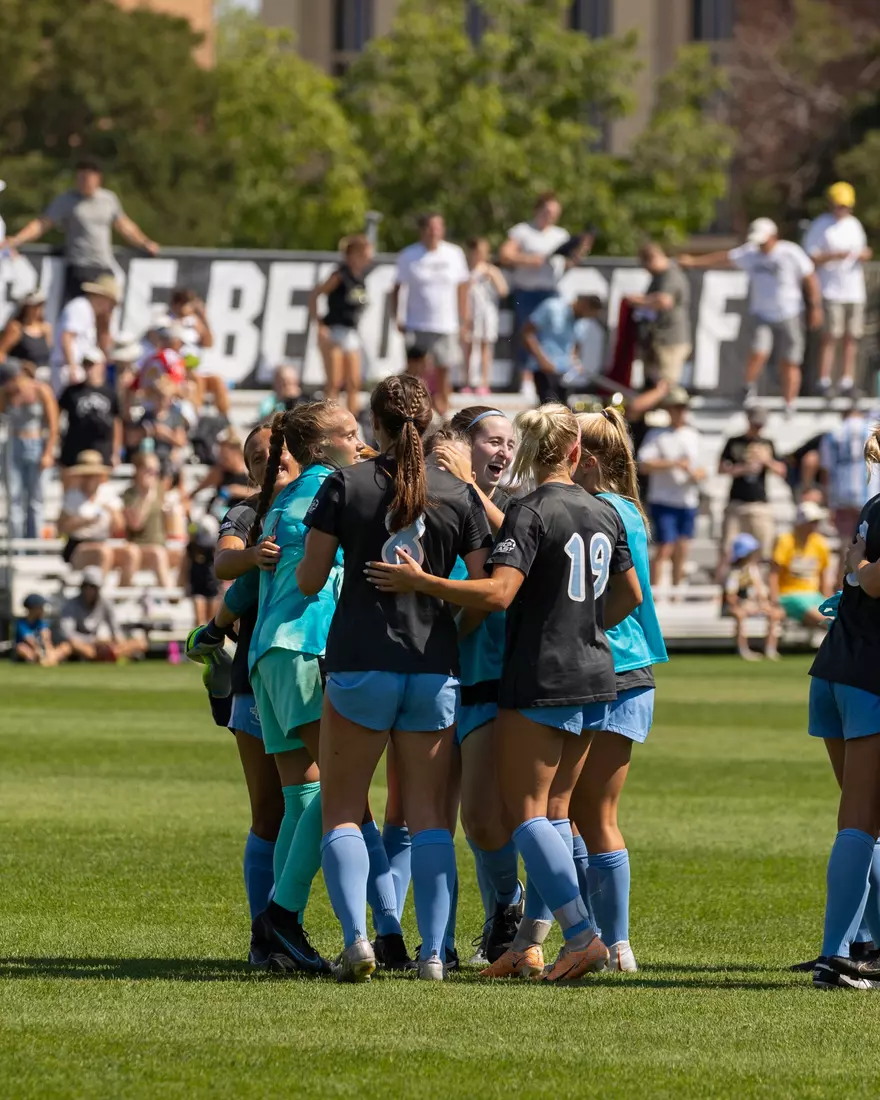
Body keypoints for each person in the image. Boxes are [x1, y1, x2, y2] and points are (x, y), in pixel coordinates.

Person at [365, 402, 642, 983]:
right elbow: (628, 598)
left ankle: (578, 935)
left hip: (534, 676)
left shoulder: (528, 510)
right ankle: (536, 936)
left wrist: (421, 584)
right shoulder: (602, 508)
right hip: (591, 674)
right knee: (549, 815)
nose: (500, 451)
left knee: (520, 816)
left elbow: (496, 595)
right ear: (573, 451)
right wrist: (580, 622)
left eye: (506, 440)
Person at [295, 375, 491, 982]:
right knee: (431, 816)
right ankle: (434, 954)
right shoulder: (457, 492)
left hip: (358, 661)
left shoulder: (345, 483)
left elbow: (308, 580)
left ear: (373, 423)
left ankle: (358, 942)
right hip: (432, 666)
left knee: (343, 809)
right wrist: (443, 622)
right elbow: (486, 589)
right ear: (430, 422)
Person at [238, 400, 363, 975]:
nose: (360, 442)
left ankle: (272, 933)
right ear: (323, 446)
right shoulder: (329, 489)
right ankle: (282, 916)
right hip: (305, 646)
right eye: (351, 433)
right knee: (343, 787)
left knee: (303, 794)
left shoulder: (281, 496)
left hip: (267, 653)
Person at [561, 404, 668, 973]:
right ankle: (605, 939)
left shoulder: (599, 509)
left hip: (606, 666)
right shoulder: (627, 508)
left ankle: (604, 940)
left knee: (581, 812)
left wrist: (574, 623)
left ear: (588, 458)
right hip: (629, 668)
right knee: (586, 812)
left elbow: (620, 596)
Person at [190, 424, 297, 967]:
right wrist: (256, 554)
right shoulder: (244, 512)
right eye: (257, 458)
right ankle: (265, 938)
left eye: (276, 453)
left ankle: (369, 933)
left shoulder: (332, 500)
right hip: (256, 671)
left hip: (321, 667)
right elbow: (225, 564)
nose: (268, 461)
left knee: (334, 806)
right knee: (270, 811)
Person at [426, 408, 520, 965]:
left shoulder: (516, 505)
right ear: (460, 444)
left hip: (487, 670)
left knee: (482, 817)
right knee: (429, 815)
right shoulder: (434, 498)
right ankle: (439, 941)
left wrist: (466, 483)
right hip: (431, 670)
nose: (504, 452)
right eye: (493, 441)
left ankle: (507, 907)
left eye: (511, 443)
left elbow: (530, 540)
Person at [803, 426, 880, 990]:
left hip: (837, 669)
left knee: (868, 821)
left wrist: (854, 567)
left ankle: (867, 946)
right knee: (861, 819)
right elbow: (871, 579)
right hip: (869, 675)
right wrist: (857, 569)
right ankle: (839, 956)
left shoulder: (875, 504)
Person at [680, 219, 823, 415]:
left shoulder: (790, 252)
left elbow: (810, 276)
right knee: (759, 351)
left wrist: (815, 306)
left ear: (774, 237)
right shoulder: (750, 253)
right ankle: (747, 387)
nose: (761, 246)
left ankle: (790, 402)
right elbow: (725, 258)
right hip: (762, 314)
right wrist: (695, 262)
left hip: (790, 313)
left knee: (790, 360)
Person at [0, 157, 158, 302]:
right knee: (78, 311)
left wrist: (145, 242)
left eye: (87, 178)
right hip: (79, 266)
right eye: (80, 177)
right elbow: (42, 224)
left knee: (105, 314)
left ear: (98, 178)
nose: (83, 182)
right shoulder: (67, 200)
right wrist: (17, 239)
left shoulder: (108, 199)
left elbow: (125, 226)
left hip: (103, 264)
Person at [499, 192, 593, 399]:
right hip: (528, 291)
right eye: (547, 211)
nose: (551, 216)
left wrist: (578, 252)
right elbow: (505, 254)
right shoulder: (523, 231)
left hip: (551, 291)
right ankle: (525, 378)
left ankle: (547, 376)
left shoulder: (560, 234)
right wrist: (530, 260)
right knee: (528, 333)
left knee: (550, 336)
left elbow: (565, 263)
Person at [391, 213, 469, 416]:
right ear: (422, 229)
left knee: (444, 366)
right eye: (430, 227)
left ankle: (442, 406)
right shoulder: (409, 255)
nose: (434, 231)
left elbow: (462, 288)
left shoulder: (454, 253)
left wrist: (464, 318)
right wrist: (396, 315)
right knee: (415, 367)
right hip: (417, 321)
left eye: (438, 227)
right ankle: (412, 404)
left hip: (446, 321)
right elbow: (397, 287)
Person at [803, 182, 872, 398]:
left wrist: (864, 254)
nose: (842, 210)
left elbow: (863, 250)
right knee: (830, 336)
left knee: (852, 337)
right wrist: (833, 256)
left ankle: (847, 380)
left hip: (854, 290)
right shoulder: (821, 225)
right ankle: (824, 380)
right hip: (831, 290)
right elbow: (810, 256)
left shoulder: (854, 225)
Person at [637, 388, 705, 588]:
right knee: (665, 547)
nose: (681, 412)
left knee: (682, 547)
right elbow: (644, 464)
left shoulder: (694, 435)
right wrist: (674, 464)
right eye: (677, 408)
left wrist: (692, 473)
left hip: (687, 499)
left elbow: (703, 469)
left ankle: (676, 591)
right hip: (663, 499)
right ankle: (656, 590)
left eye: (683, 408)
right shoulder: (657, 434)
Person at [309, 235, 373, 414]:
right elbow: (315, 295)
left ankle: (354, 420)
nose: (369, 258)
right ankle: (330, 419)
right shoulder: (339, 275)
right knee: (334, 381)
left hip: (350, 331)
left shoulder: (359, 278)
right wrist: (319, 324)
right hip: (334, 330)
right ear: (354, 254)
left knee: (354, 382)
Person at [718, 406, 787, 569]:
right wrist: (744, 468)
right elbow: (721, 469)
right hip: (736, 502)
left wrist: (766, 461)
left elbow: (782, 470)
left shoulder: (768, 443)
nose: (759, 428)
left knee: (764, 550)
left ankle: (759, 586)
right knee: (728, 549)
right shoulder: (734, 442)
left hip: (759, 503)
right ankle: (727, 587)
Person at [57, 450, 138, 582]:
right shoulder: (72, 496)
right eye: (86, 475)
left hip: (103, 541)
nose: (90, 479)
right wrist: (84, 522)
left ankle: (123, 592)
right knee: (103, 552)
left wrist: (112, 512)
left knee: (131, 552)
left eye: (93, 475)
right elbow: (61, 527)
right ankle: (98, 592)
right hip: (78, 545)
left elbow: (120, 526)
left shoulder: (108, 493)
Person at [0, 359, 59, 538]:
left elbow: (53, 425)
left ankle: (35, 544)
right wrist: (13, 401)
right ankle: (16, 546)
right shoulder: (6, 394)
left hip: (36, 444)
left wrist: (48, 452)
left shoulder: (41, 390)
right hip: (13, 445)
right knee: (14, 498)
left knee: (36, 499)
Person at [626, 242, 691, 397]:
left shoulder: (670, 275)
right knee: (652, 383)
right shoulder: (659, 277)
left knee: (666, 388)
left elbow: (664, 301)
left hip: (670, 341)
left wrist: (639, 301)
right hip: (657, 340)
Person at [521, 294, 605, 405]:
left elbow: (575, 346)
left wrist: (575, 363)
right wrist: (542, 360)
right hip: (544, 370)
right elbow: (527, 332)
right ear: (583, 304)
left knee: (563, 411)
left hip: (564, 374)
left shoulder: (582, 323)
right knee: (550, 407)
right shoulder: (552, 307)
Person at [49, 274, 121, 394]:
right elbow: (67, 336)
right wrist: (72, 367)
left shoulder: (89, 311)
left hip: (76, 367)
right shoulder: (80, 307)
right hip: (68, 366)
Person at [57, 567, 146, 661]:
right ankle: (102, 656)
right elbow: (66, 633)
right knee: (70, 645)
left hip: (99, 644)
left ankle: (110, 654)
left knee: (140, 643)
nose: (89, 590)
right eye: (86, 586)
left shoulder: (105, 603)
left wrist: (117, 641)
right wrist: (93, 640)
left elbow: (115, 630)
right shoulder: (71, 605)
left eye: (92, 587)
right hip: (82, 644)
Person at [819, 403, 880, 541]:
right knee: (870, 545)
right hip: (869, 492)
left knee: (846, 546)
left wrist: (828, 501)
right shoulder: (873, 430)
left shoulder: (833, 433)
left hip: (842, 494)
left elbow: (826, 470)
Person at [770, 501, 834, 629]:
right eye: (811, 522)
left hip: (814, 595)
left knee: (839, 617)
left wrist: (828, 598)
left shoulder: (820, 543)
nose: (815, 525)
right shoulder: (786, 541)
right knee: (828, 621)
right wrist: (774, 599)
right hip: (790, 595)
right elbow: (774, 573)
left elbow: (823, 575)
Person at [722, 533, 784, 662]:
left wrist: (762, 603)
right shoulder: (734, 572)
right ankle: (743, 649)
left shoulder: (752, 569)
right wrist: (744, 605)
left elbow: (759, 590)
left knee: (775, 614)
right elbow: (731, 596)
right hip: (737, 605)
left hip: (752, 604)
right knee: (740, 615)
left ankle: (770, 649)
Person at [59, 347, 122, 475]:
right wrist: (57, 439)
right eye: (86, 365)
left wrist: (116, 452)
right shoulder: (72, 391)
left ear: (101, 366)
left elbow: (116, 423)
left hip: (102, 447)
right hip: (75, 446)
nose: (89, 369)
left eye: (92, 365)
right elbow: (56, 414)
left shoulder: (110, 393)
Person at [167, 288, 229, 417]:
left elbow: (209, 343)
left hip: (197, 368)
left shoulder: (194, 322)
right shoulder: (168, 322)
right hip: (177, 370)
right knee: (197, 379)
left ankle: (225, 420)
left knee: (217, 381)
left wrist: (204, 318)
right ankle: (197, 417)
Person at [121, 451, 179, 589]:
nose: (153, 475)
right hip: (139, 546)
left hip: (160, 545)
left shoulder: (160, 490)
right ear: (138, 471)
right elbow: (135, 525)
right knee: (157, 554)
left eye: (155, 471)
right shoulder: (130, 494)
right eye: (149, 471)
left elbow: (171, 528)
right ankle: (170, 595)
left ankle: (185, 595)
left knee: (186, 555)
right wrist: (147, 497)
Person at [463, 238, 508, 396]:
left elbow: (503, 291)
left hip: (486, 313)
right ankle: (467, 382)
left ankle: (484, 382)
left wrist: (491, 276)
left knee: (485, 347)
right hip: (468, 312)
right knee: (467, 346)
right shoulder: (465, 269)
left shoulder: (491, 270)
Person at [196, 428, 253, 522]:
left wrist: (239, 491)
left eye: (225, 456)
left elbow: (262, 493)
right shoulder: (219, 471)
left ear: (236, 452)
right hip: (219, 513)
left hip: (244, 515)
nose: (221, 459)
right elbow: (198, 489)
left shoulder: (250, 470)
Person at [183, 515, 221, 625]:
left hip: (212, 585)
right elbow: (185, 566)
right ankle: (197, 640)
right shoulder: (191, 548)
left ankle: (207, 640)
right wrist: (184, 584)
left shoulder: (215, 548)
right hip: (197, 586)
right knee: (199, 621)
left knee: (211, 622)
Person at [0, 290, 52, 368]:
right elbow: (1, 353)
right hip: (20, 375)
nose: (37, 310)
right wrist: (20, 365)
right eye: (34, 306)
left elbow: (50, 354)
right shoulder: (16, 328)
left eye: (40, 306)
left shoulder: (46, 328)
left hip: (42, 374)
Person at [14, 594, 67, 666]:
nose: (43, 610)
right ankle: (41, 660)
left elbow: (46, 638)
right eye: (41, 607)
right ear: (32, 609)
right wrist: (39, 652)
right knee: (21, 647)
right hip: (32, 649)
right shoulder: (22, 623)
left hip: (42, 649)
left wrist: (49, 650)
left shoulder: (41, 622)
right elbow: (30, 640)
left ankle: (48, 660)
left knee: (65, 646)